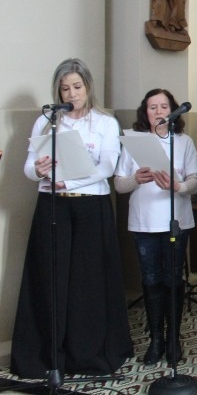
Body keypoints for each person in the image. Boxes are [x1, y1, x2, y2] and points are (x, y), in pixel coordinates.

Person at [12, 58, 133, 378]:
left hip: (90, 207)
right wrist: (37, 170)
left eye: (77, 87)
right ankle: (48, 355)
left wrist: (71, 182)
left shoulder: (104, 123)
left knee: (86, 282)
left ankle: (89, 353)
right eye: (65, 88)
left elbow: (106, 169)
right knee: (50, 278)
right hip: (52, 207)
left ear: (88, 87)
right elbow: (29, 167)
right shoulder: (48, 121)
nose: (71, 93)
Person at [114, 88, 197, 366]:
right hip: (144, 222)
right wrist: (136, 179)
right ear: (145, 113)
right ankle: (156, 340)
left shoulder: (183, 142)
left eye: (164, 106)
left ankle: (173, 338)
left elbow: (194, 182)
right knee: (151, 280)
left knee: (173, 279)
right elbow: (119, 184)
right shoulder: (134, 142)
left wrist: (178, 186)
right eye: (153, 107)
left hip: (177, 221)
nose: (159, 112)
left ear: (172, 110)